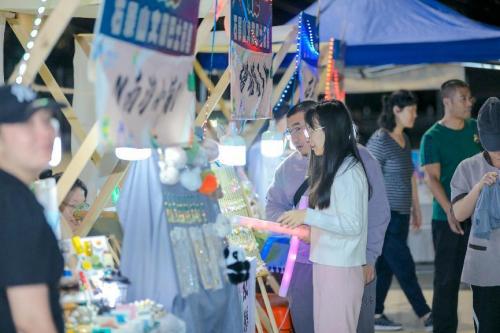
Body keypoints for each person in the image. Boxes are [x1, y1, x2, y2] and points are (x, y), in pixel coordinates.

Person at [266, 100, 390, 333]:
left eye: (310, 129)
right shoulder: (329, 166)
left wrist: (308, 216)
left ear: (329, 130)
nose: (306, 136)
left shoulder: (349, 169)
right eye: (295, 130)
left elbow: (353, 223)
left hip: (341, 267)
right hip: (325, 263)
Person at [0, 84, 64, 333]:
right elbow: (32, 323)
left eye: (47, 120)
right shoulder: (14, 204)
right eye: (27, 123)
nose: (45, 133)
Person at [420, 79, 482, 333]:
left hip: (482, 219)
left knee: (484, 279)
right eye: (463, 98)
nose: (469, 103)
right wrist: (450, 211)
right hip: (448, 221)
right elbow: (432, 178)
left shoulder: (478, 129)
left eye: (470, 98)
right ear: (447, 101)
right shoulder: (432, 137)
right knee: (447, 281)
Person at [367, 90, 432, 331]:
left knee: (385, 267)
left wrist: (416, 208)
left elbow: (410, 178)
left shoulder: (404, 141)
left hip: (402, 215)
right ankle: (425, 314)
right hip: (386, 217)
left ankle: (375, 314)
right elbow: (369, 180)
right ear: (396, 110)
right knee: (405, 266)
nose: (415, 115)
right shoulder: (379, 140)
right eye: (411, 110)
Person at [450, 97, 500, 333]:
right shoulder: (468, 168)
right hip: (485, 266)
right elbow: (459, 213)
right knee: (488, 326)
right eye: (493, 149)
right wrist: (478, 188)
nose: (498, 155)